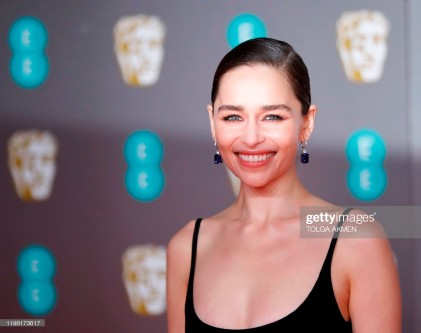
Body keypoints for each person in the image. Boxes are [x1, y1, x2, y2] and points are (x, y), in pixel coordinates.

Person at [167, 37, 401, 332]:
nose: (251, 138)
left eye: (272, 116)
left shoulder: (356, 240)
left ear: (306, 123)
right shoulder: (187, 247)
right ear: (213, 122)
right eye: (233, 116)